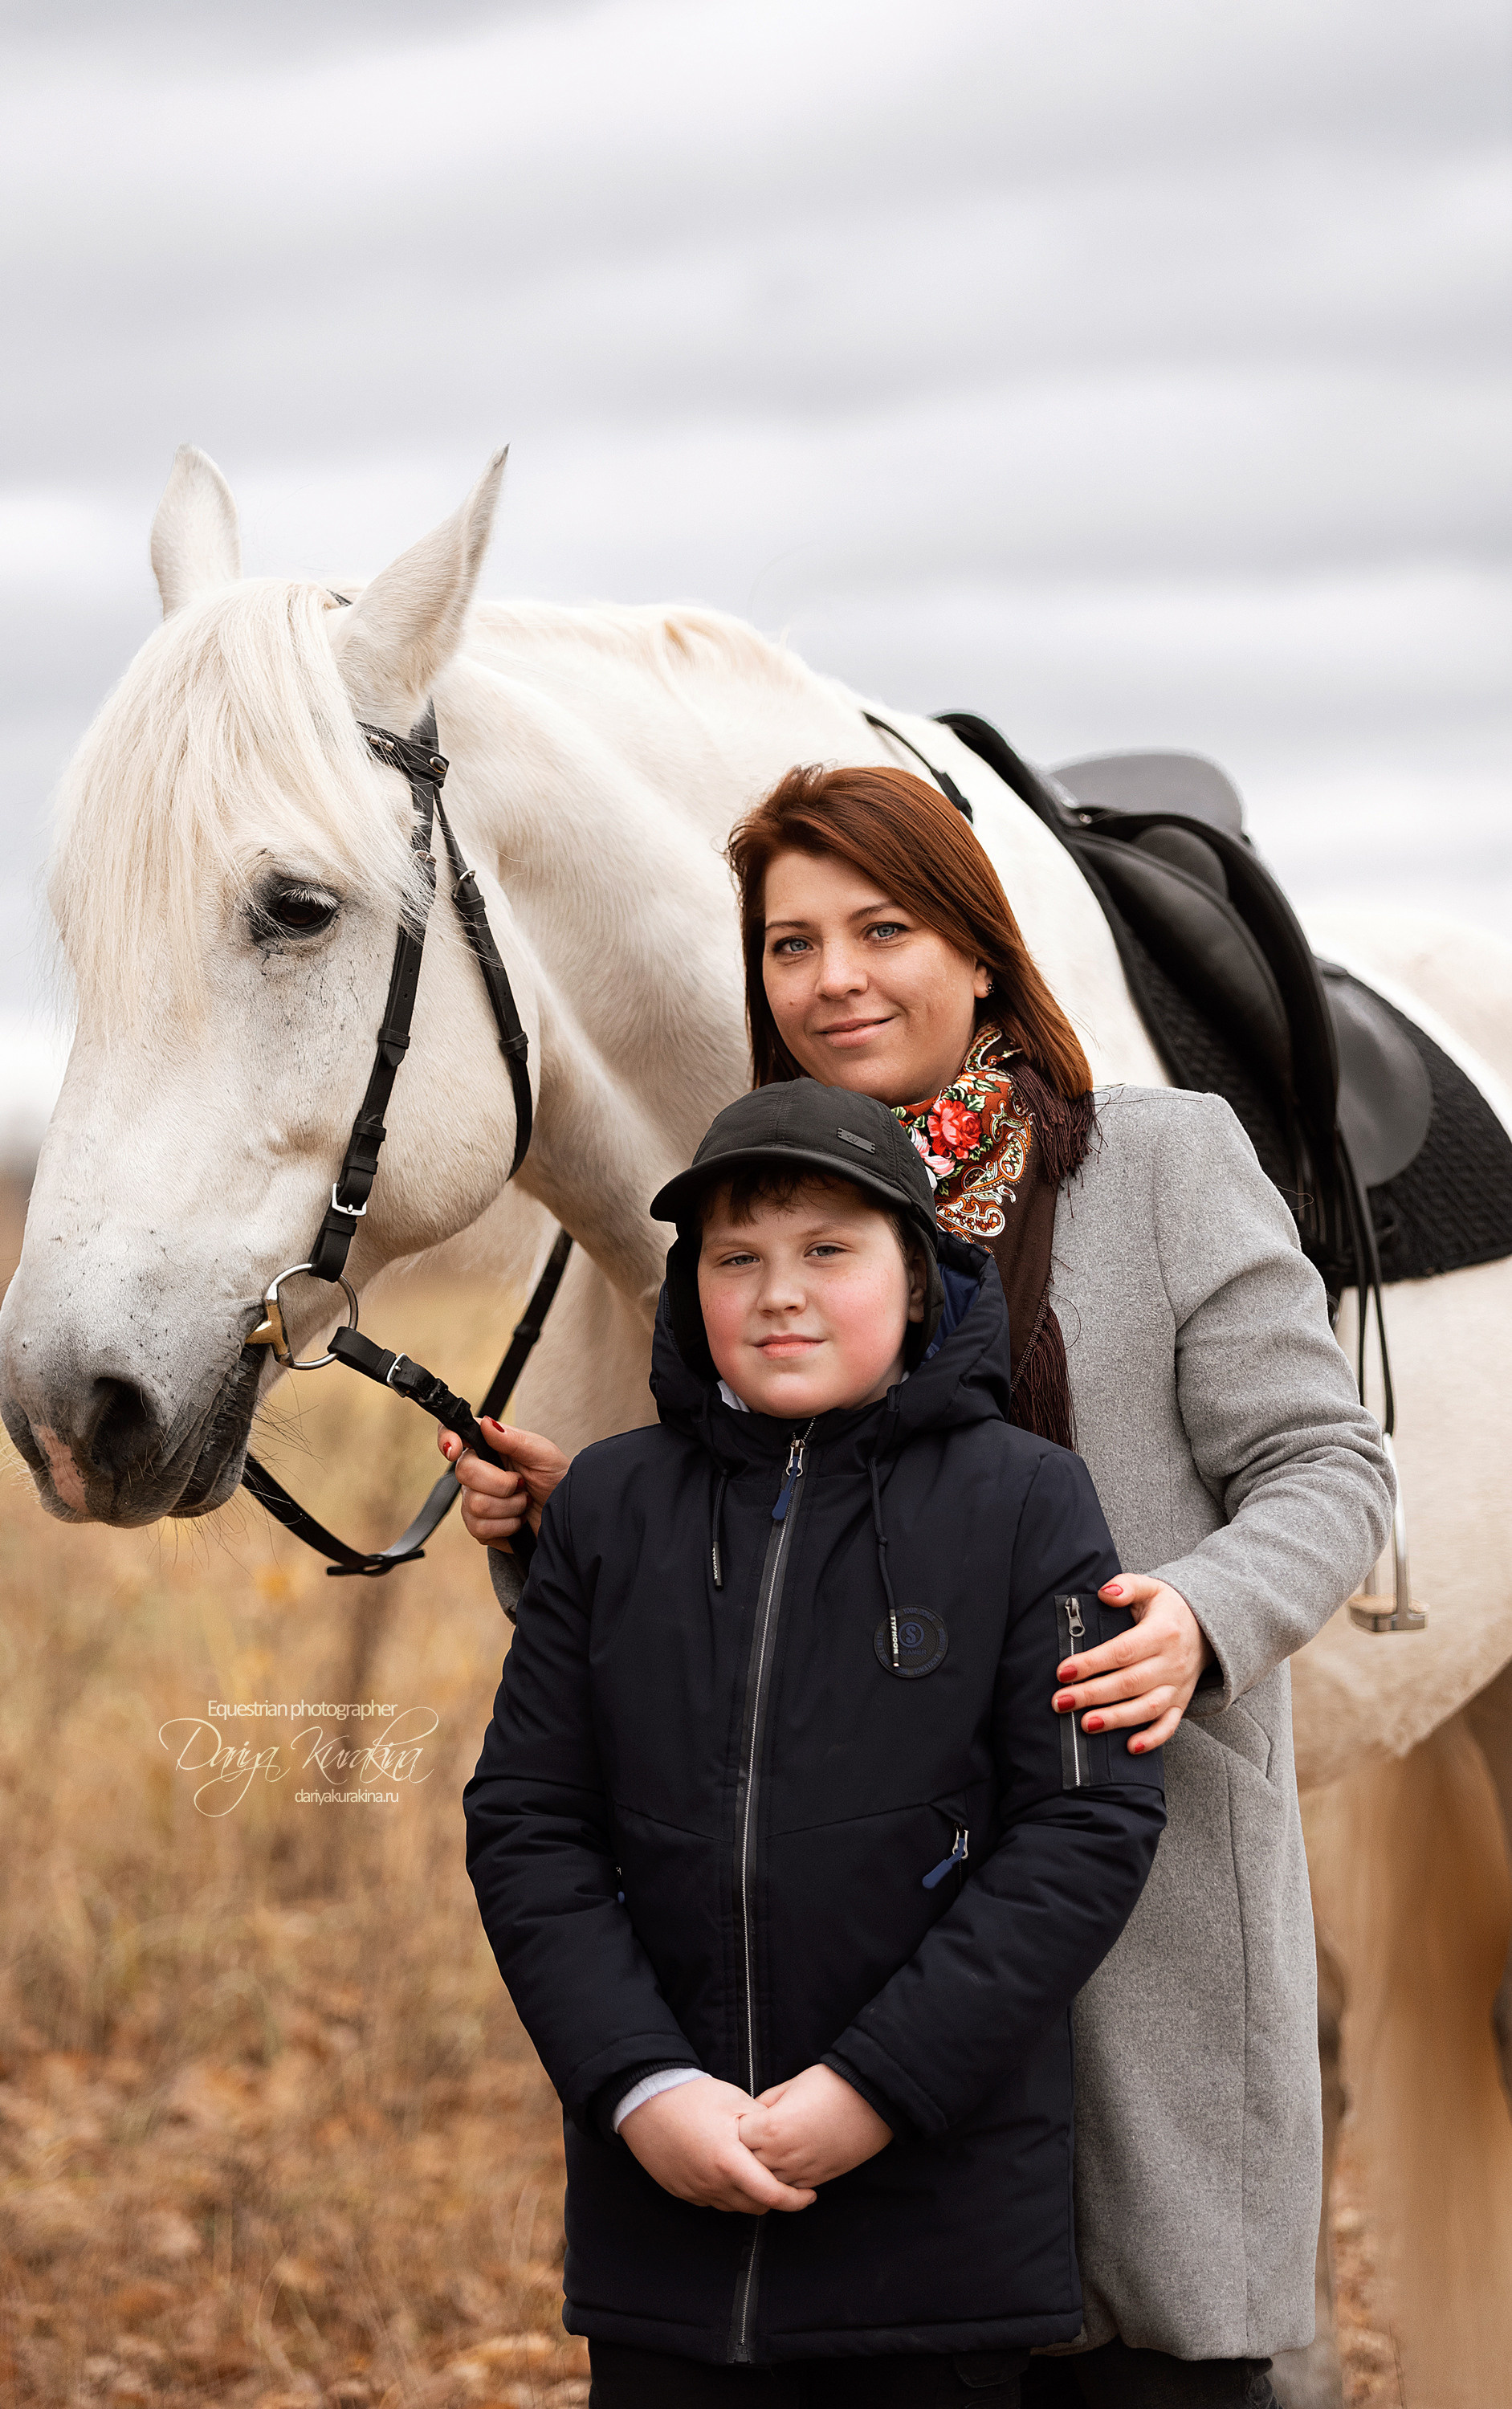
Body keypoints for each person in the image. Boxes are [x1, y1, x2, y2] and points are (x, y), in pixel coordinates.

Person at [445, 763, 1396, 2405]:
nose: (834, 978)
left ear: (978, 946)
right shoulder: (748, 1214)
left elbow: (1330, 1465)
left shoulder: (1163, 1168)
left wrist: (1201, 1614)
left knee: (1136, 2356)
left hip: (1122, 1896)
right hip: (854, 1968)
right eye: (790, 943)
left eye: (881, 927)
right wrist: (573, 1535)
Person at [464, 1081, 1167, 2405]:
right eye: (737, 1259)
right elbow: (527, 1823)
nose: (778, 1292)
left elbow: (1086, 1826)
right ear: (692, 1294)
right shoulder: (614, 1507)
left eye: (828, 1250)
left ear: (917, 1279)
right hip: (664, 2222)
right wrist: (639, 2087)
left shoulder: (1027, 1500)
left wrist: (870, 2090)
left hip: (934, 2237)